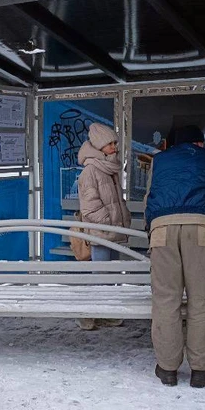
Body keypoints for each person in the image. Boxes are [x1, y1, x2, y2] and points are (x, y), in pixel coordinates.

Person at [144, 123, 205, 388]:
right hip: (201, 227)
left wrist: (151, 228)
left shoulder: (160, 161)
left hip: (162, 228)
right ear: (200, 143)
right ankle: (202, 370)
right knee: (201, 300)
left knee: (166, 300)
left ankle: (167, 368)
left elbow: (150, 198)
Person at [76, 122, 131, 330]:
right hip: (102, 232)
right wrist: (110, 221)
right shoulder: (91, 170)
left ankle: (107, 312)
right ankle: (89, 314)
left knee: (111, 275)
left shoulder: (109, 167)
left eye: (115, 142)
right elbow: (90, 207)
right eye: (110, 143)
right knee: (101, 276)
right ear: (99, 146)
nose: (114, 147)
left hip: (113, 231)